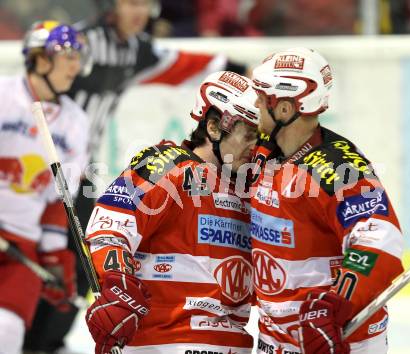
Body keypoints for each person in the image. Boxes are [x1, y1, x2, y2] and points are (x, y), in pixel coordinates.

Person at [24, 1, 250, 352]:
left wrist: (240, 74)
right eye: (131, 2)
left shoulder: (135, 50)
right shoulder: (84, 43)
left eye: (146, 4)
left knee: (71, 273)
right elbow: (32, 82)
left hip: (77, 175)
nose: (140, 12)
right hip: (32, 172)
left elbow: (180, 63)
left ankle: (45, 343)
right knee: (30, 258)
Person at [82, 70, 258, 353]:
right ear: (213, 128)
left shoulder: (252, 184)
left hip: (232, 341)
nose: (255, 146)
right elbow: (109, 228)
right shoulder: (167, 164)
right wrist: (117, 285)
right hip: (163, 341)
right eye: (248, 135)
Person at [249, 47, 404, 353]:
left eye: (261, 97)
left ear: (284, 109)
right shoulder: (262, 151)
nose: (255, 104)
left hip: (335, 337)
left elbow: (381, 240)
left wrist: (338, 303)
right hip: (274, 339)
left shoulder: (337, 167)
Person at [0, 21, 89, 354]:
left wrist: (53, 253)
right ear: (40, 58)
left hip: (23, 248)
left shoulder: (76, 123)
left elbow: (56, 199)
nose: (76, 65)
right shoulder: (3, 95)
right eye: (68, 55)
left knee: (6, 332)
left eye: (79, 56)